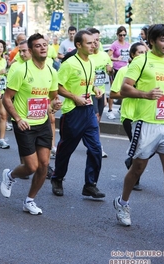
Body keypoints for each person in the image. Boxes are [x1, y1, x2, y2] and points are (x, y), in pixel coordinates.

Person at [112, 24, 164, 234]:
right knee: (138, 168)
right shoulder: (142, 60)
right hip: (146, 123)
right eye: (163, 40)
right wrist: (146, 95)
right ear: (152, 41)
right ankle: (122, 203)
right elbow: (124, 88)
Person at [1, 33, 61, 215]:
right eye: (38, 46)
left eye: (45, 45)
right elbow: (7, 98)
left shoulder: (51, 71)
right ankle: (10, 175)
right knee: (31, 167)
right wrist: (18, 119)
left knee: (44, 166)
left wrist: (55, 104)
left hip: (42, 122)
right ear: (31, 50)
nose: (43, 48)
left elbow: (52, 97)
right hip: (25, 124)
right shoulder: (22, 70)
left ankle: (29, 200)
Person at [50, 30, 105, 199]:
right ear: (78, 45)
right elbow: (57, 86)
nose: (93, 45)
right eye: (89, 43)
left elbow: (87, 81)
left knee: (96, 148)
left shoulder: (91, 61)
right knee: (66, 148)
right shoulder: (69, 63)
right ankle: (57, 178)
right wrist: (74, 97)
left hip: (88, 110)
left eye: (94, 42)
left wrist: (94, 88)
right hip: (73, 112)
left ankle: (90, 184)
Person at [110, 42, 146, 191]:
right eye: (139, 53)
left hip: (145, 115)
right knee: (138, 147)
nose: (143, 56)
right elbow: (113, 94)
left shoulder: (148, 72)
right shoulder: (125, 70)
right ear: (132, 55)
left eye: (145, 52)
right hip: (129, 115)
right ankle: (134, 179)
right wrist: (132, 91)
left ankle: (129, 160)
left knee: (146, 149)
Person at [87, 28, 113, 158]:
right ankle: (97, 146)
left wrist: (110, 70)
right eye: (93, 40)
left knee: (97, 120)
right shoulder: (87, 57)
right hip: (90, 92)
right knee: (95, 118)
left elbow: (108, 72)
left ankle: (91, 139)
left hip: (101, 92)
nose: (95, 43)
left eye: (97, 40)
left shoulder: (104, 55)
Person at [107, 26, 130, 119]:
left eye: (124, 35)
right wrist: (116, 59)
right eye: (120, 35)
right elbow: (107, 56)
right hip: (116, 69)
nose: (122, 37)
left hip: (125, 69)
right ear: (117, 35)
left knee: (125, 90)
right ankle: (110, 110)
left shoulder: (128, 45)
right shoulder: (115, 44)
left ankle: (121, 109)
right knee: (114, 90)